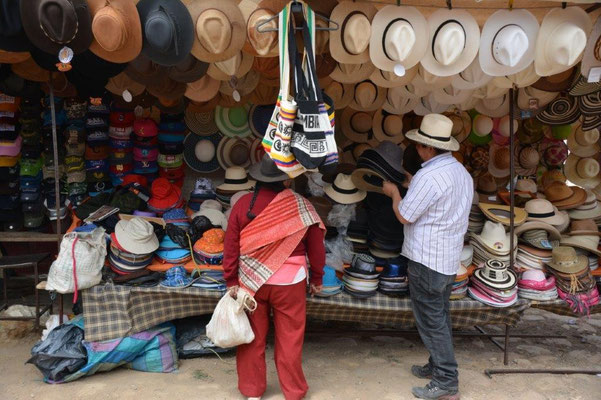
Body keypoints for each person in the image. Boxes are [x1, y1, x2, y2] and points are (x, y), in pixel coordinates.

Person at [383, 113, 473, 400]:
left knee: (431, 320)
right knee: (440, 316)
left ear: (430, 149)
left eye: (420, 145)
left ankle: (447, 381)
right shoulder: (461, 172)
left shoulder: (429, 175)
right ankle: (437, 365)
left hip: (427, 260)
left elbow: (405, 216)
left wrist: (394, 193)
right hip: (447, 258)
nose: (417, 149)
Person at [223, 154, 326, 400]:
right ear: (285, 181)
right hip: (290, 283)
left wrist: (231, 281)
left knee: (252, 337)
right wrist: (318, 279)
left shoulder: (243, 204)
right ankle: (293, 393)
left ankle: (252, 392)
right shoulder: (301, 206)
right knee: (290, 338)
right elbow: (316, 247)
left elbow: (230, 246)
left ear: (257, 179)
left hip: (251, 283)